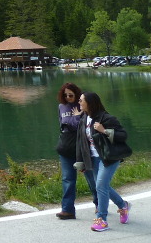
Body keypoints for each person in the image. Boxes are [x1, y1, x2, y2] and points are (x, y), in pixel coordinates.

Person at [74, 91, 132, 232]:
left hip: (108, 158)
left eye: (81, 100)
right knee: (101, 186)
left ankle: (102, 220)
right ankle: (123, 205)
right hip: (92, 158)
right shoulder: (84, 118)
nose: (79, 103)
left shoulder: (105, 118)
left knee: (100, 185)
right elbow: (80, 142)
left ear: (90, 103)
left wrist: (104, 131)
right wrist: (80, 162)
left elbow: (123, 135)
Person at [55, 83, 97, 219]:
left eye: (71, 95)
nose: (68, 97)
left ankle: (99, 204)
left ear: (77, 94)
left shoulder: (84, 105)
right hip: (66, 147)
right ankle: (67, 210)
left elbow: (85, 125)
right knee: (67, 179)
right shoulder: (61, 107)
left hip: (83, 147)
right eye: (65, 95)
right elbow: (62, 125)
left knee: (91, 178)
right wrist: (75, 120)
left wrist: (77, 117)